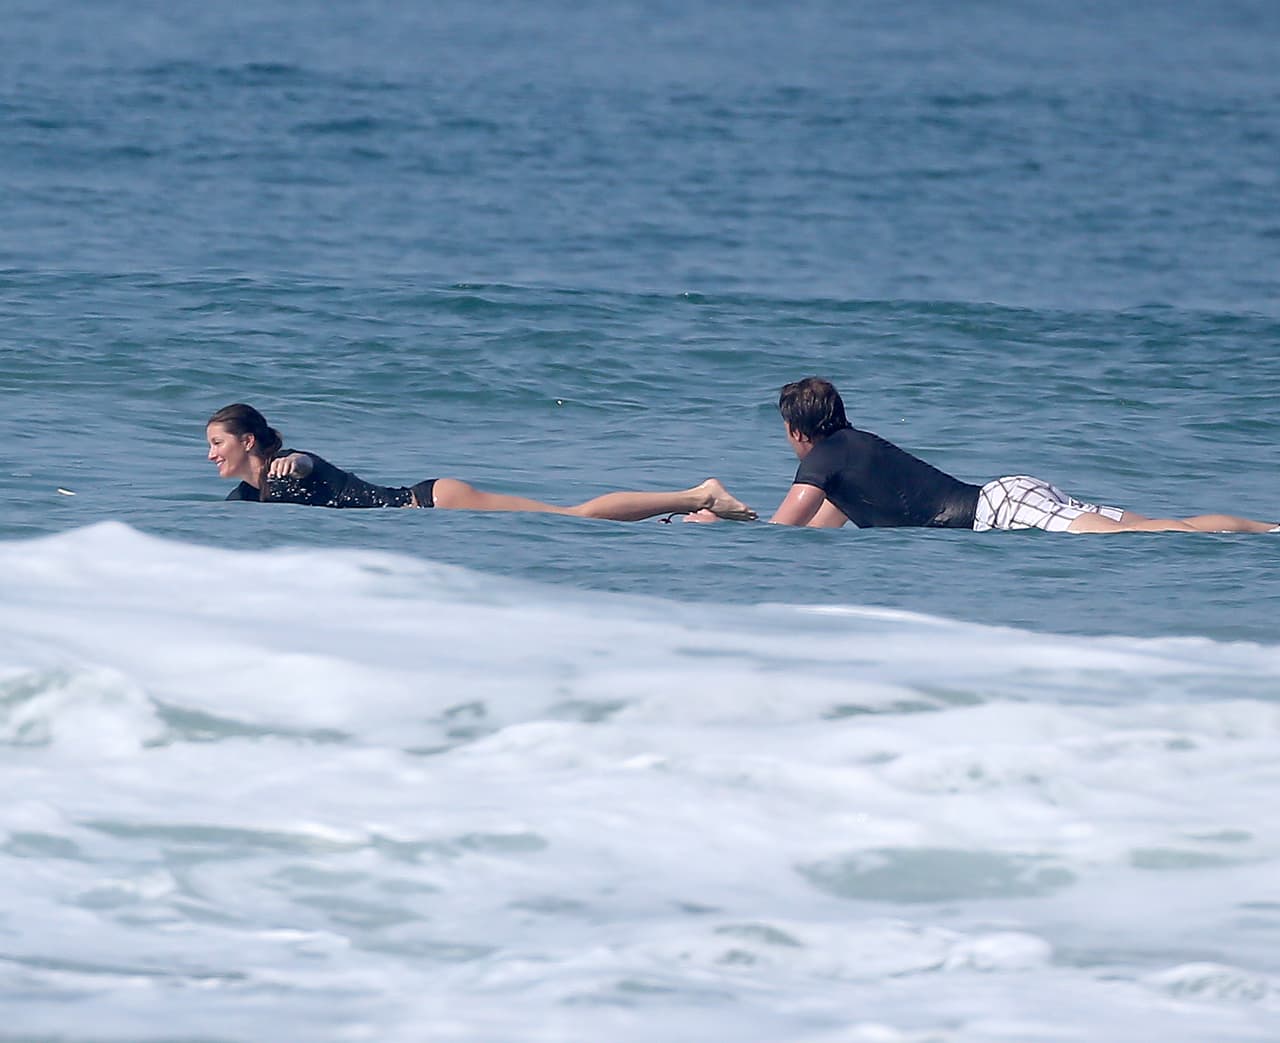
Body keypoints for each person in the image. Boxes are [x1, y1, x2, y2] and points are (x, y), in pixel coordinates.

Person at [765, 377, 1277, 534]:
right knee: (1165, 525)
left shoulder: (824, 458)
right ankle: (1269, 530)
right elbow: (819, 528)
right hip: (1010, 496)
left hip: (1002, 511)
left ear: (796, 429)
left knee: (1148, 533)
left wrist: (716, 527)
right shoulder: (855, 450)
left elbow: (782, 531)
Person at [205, 403, 756, 521]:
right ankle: (697, 519)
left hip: (434, 502)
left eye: (217, 443)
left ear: (250, 442)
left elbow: (301, 466)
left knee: (575, 517)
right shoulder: (246, 499)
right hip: (424, 521)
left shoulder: (291, 469)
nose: (211, 454)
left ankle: (699, 494)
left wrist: (292, 465)